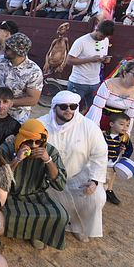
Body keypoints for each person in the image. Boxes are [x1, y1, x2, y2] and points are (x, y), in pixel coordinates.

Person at [39, 90, 107, 243]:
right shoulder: (41, 124)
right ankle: (46, 227)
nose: (68, 110)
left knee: (96, 197)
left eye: (73, 106)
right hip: (47, 177)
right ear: (54, 107)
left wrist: (95, 181)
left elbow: (100, 154)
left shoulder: (89, 127)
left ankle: (79, 227)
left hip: (78, 175)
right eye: (63, 106)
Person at [0, 119, 68, 250]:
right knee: (0, 216)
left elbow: (60, 185)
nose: (34, 145)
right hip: (10, 195)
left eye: (38, 142)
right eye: (29, 141)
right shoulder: (6, 148)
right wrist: (17, 159)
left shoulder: (50, 151)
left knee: (60, 215)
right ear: (21, 138)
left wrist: (48, 160)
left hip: (36, 195)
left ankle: (37, 232)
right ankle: (33, 230)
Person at [0, 33, 42, 123]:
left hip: (17, 117)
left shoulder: (34, 71)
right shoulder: (0, 60)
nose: (4, 49)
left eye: (8, 48)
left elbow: (33, 100)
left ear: (18, 52)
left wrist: (7, 103)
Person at [86, 58, 134, 134]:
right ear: (125, 73)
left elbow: (129, 116)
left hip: (119, 125)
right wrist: (94, 129)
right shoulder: (109, 84)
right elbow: (97, 108)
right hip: (100, 118)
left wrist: (125, 133)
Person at [65, 20, 115, 112]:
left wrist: (104, 60)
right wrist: (90, 59)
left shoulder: (105, 40)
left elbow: (100, 57)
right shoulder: (81, 41)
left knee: (93, 111)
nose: (103, 39)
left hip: (95, 82)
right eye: (101, 36)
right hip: (78, 82)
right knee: (70, 111)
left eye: (105, 37)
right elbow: (69, 60)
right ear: (97, 29)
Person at [101, 113, 134, 206]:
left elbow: (130, 149)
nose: (125, 128)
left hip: (112, 164)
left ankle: (103, 195)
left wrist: (124, 159)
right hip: (100, 162)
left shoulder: (124, 137)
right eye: (122, 124)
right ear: (111, 124)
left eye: (127, 125)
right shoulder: (103, 134)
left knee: (107, 180)